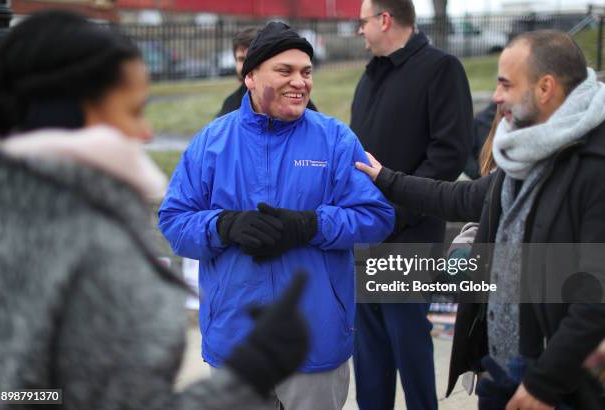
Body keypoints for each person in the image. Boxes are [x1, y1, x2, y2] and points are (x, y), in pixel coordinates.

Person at [0, 11, 310, 409]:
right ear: (75, 111)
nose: (146, 133)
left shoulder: (35, 210)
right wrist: (248, 376)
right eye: (133, 110)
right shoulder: (73, 237)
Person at [355, 30, 605, 410]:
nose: (497, 96)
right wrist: (385, 178)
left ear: (545, 88)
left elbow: (595, 296)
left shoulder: (593, 167)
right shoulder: (524, 155)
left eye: (505, 84)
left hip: (556, 385)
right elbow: (459, 197)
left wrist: (544, 383)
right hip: (502, 373)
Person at [158, 21, 395, 410]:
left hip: (314, 340)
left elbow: (376, 217)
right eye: (284, 71)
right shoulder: (210, 143)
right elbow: (173, 221)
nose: (299, 82)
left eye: (306, 72)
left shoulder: (335, 139)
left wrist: (310, 225)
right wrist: (224, 225)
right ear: (250, 76)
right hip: (236, 343)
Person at [350, 1, 473, 409]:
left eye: (363, 22)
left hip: (411, 237)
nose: (360, 31)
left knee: (409, 349)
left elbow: (449, 154)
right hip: (366, 236)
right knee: (369, 357)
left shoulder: (440, 68)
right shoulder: (369, 78)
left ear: (385, 19)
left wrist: (396, 211)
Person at [216, 26, 317, 117]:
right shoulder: (231, 105)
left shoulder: (299, 102)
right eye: (241, 59)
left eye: (251, 59)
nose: (248, 65)